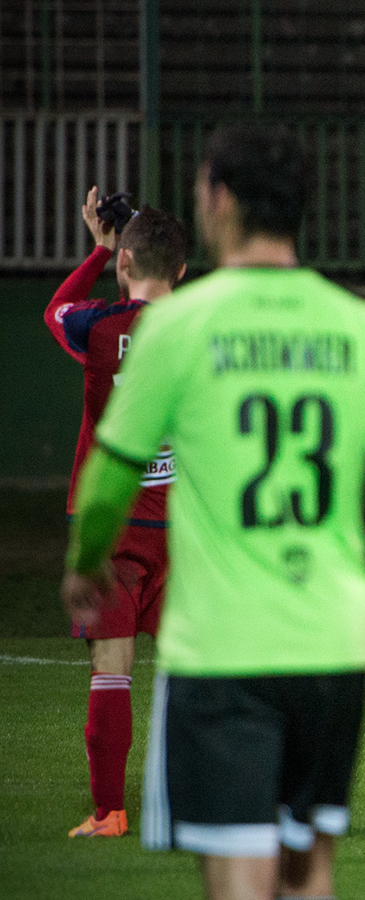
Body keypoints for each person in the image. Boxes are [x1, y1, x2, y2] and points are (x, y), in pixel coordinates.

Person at [59, 123, 365, 900]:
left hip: (220, 648)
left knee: (238, 879)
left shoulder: (175, 328)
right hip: (332, 643)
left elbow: (111, 475)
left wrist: (86, 561)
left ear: (220, 200)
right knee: (308, 872)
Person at [48, 189, 187, 839]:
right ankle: (203, 803)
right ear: (181, 270)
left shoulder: (99, 327)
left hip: (111, 529)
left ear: (126, 262)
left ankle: (110, 813)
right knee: (196, 669)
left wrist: (99, 251)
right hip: (181, 527)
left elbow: (56, 311)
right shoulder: (198, 335)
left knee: (112, 669)